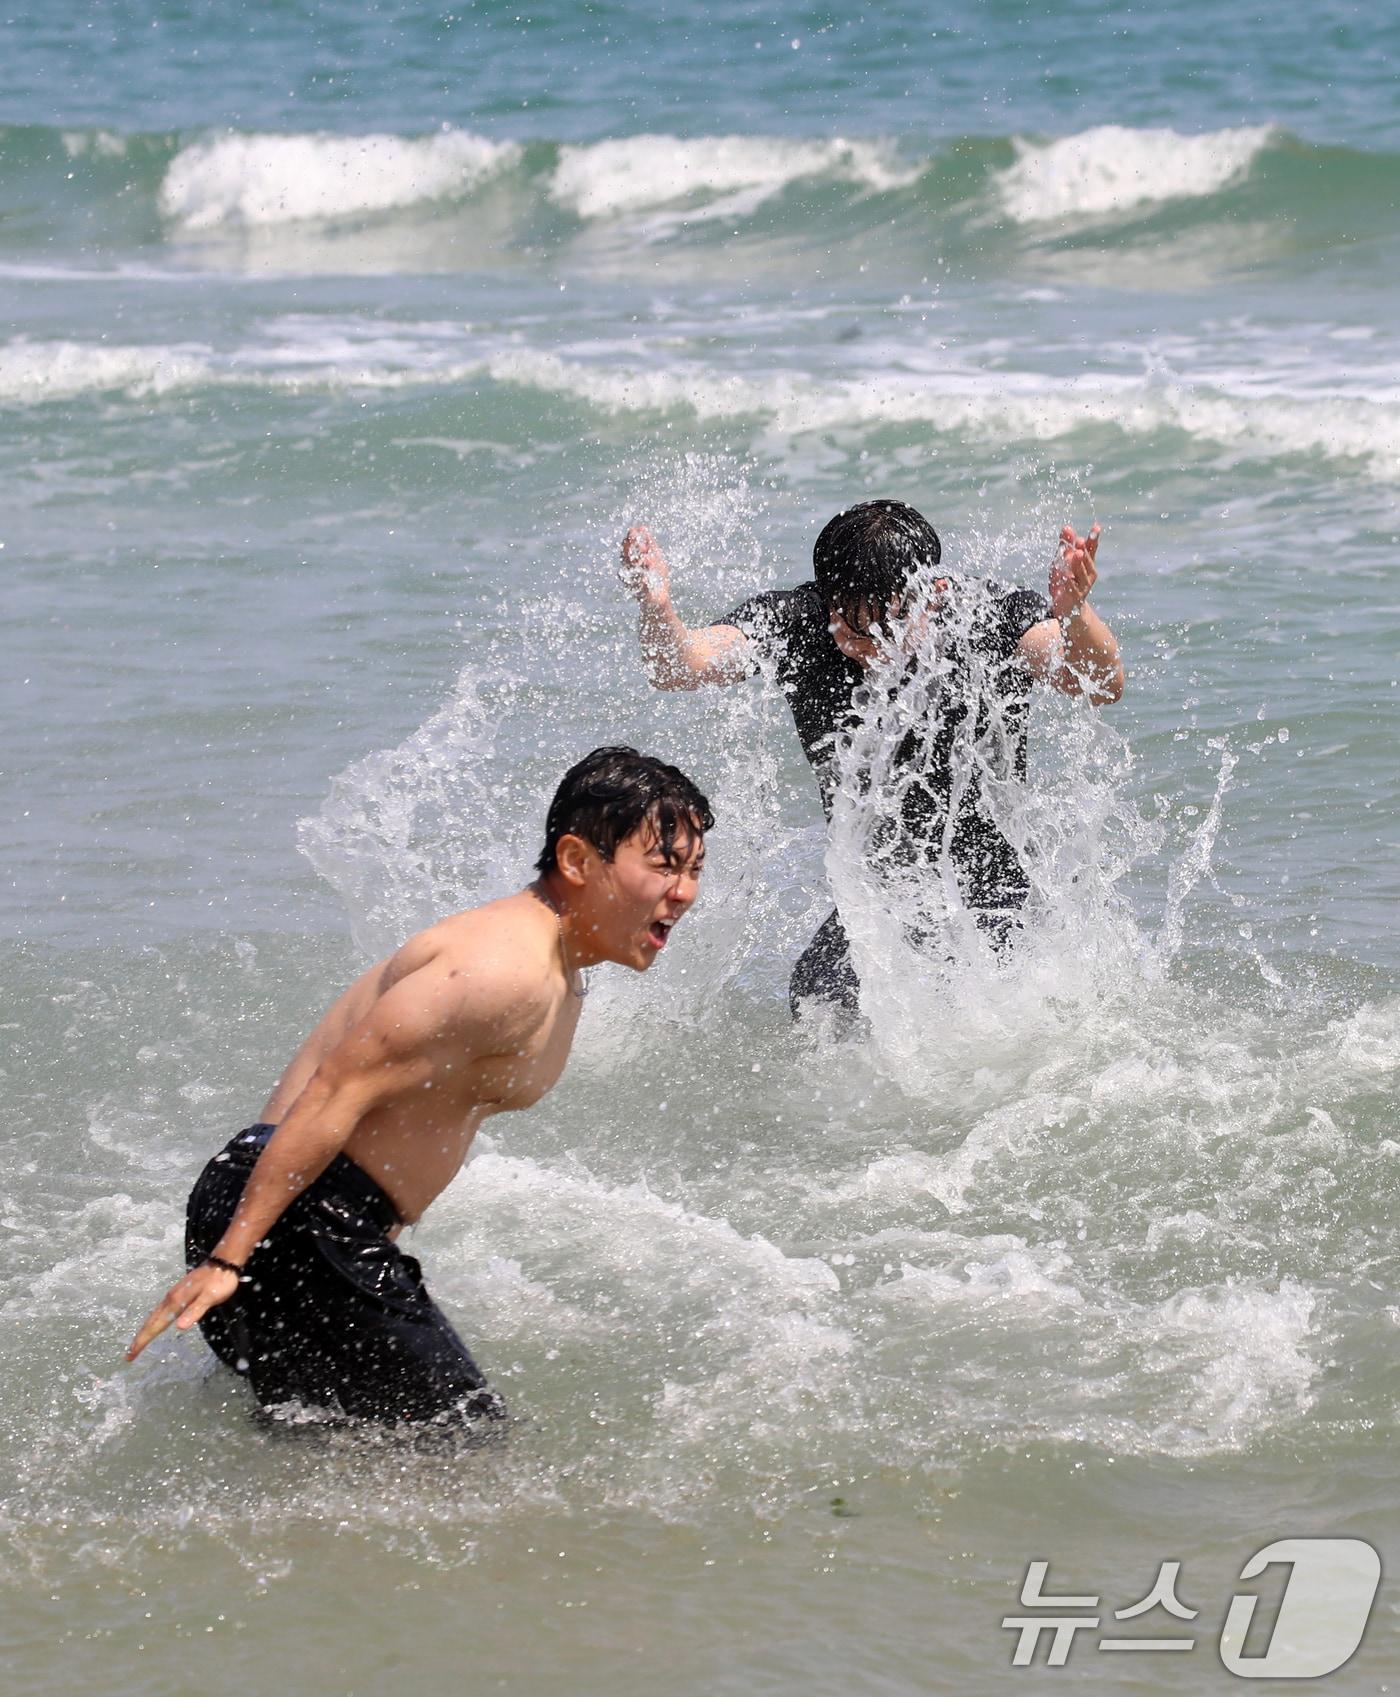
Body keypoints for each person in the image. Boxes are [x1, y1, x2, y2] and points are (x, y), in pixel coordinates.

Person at [126, 747, 713, 1426]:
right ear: (577, 860)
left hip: (309, 1218)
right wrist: (232, 1259)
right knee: (461, 1440)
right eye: (665, 866)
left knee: (355, 1447)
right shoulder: (497, 970)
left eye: (695, 870)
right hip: (296, 1217)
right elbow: (332, 1091)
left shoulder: (557, 964)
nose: (684, 893)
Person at [620, 499, 1122, 1017]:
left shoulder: (986, 617)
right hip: (883, 895)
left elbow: (1102, 683)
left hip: (995, 886)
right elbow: (680, 667)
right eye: (851, 626)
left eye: (890, 627)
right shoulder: (800, 623)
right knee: (814, 997)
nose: (868, 647)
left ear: (934, 593)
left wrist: (1075, 614)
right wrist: (657, 608)